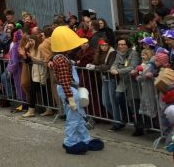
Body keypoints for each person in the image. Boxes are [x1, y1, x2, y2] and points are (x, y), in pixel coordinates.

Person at [49, 26, 104, 155]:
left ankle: (85, 139)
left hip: (70, 88)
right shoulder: (61, 59)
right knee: (73, 118)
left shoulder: (62, 57)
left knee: (80, 116)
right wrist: (70, 98)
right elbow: (64, 81)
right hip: (68, 89)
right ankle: (70, 143)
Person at [110, 38, 141, 134]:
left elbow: (133, 66)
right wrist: (113, 69)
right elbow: (114, 64)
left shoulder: (133, 53)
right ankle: (126, 115)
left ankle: (138, 127)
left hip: (133, 81)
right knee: (118, 95)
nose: (121, 46)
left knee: (134, 103)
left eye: (123, 44)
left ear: (127, 45)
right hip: (123, 80)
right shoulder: (118, 53)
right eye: (119, 44)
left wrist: (118, 71)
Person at [23, 29, 48, 118]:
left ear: (36, 40)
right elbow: (27, 60)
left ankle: (32, 110)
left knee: (35, 90)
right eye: (29, 41)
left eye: (32, 41)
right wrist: (26, 48)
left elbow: (43, 61)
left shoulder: (40, 48)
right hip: (35, 72)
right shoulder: (31, 48)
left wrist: (32, 57)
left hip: (41, 71)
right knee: (41, 91)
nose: (30, 42)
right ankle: (47, 109)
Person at [92, 38, 116, 121]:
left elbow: (109, 66)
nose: (104, 47)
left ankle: (117, 121)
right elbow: (95, 63)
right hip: (104, 78)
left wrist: (96, 67)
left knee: (112, 102)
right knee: (105, 102)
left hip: (112, 78)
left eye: (106, 45)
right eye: (102, 45)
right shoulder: (99, 53)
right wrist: (90, 65)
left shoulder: (112, 52)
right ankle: (116, 120)